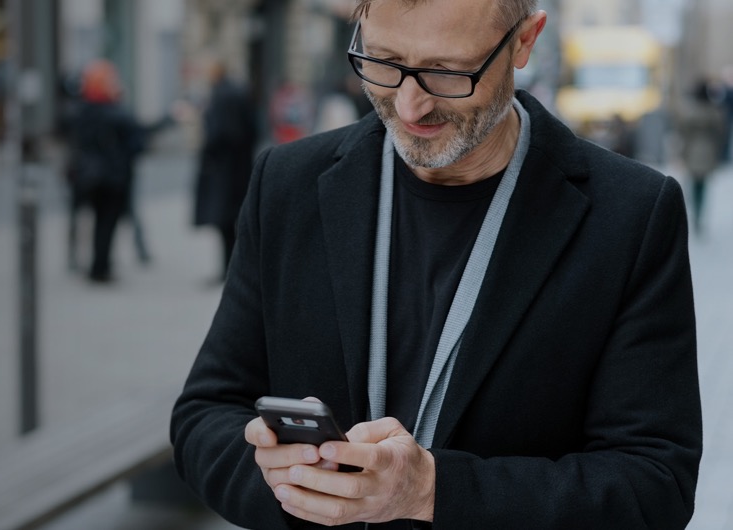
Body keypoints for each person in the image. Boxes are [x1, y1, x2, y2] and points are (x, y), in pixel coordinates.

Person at [171, 1, 702, 528]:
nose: (409, 106)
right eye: (382, 62)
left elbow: (655, 484)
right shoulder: (286, 184)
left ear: (525, 40)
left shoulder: (632, 214)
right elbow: (204, 414)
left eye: (446, 72)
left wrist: (432, 491)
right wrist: (288, 483)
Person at [64, 60, 167, 282]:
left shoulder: (80, 113)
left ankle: (90, 264)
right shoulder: (117, 113)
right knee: (107, 224)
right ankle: (100, 268)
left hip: (86, 176)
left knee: (91, 220)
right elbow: (138, 139)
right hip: (113, 177)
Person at [192, 59, 258, 282]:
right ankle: (232, 269)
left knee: (226, 221)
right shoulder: (237, 92)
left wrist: (208, 149)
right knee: (233, 219)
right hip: (239, 166)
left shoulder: (222, 95)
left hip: (225, 169)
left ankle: (230, 269)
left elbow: (220, 133)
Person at [675, 78, 726, 234]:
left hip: (691, 150)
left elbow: (683, 133)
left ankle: (695, 213)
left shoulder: (689, 111)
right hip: (708, 151)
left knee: (693, 183)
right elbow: (720, 133)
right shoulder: (714, 111)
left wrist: (681, 153)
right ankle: (699, 214)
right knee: (703, 186)